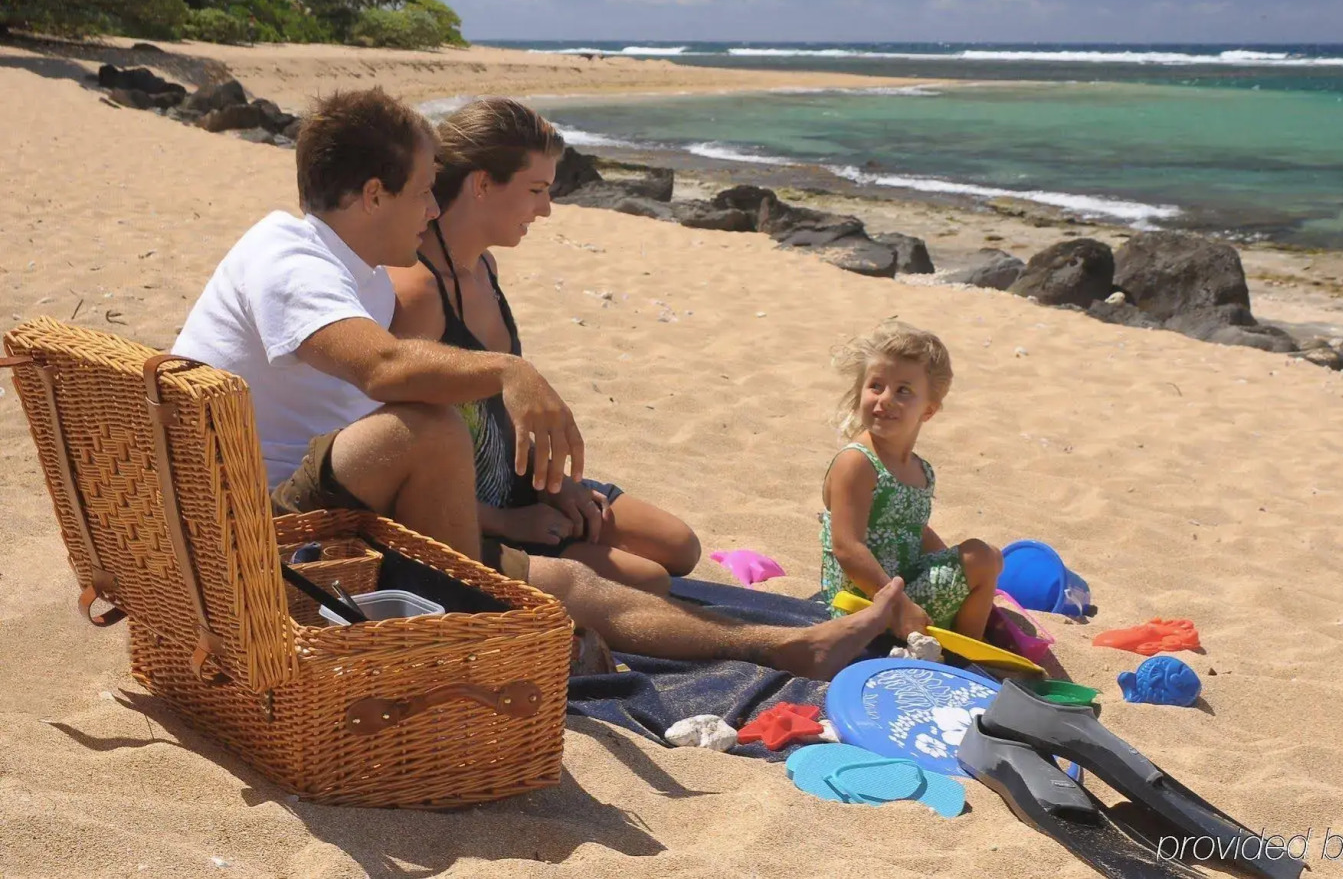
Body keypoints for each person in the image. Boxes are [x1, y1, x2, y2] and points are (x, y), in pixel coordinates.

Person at [171, 86, 899, 678]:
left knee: (574, 583)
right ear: (372, 195)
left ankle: (778, 648)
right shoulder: (291, 259)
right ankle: (478, 627)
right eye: (424, 192)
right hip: (264, 528)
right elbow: (383, 369)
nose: (433, 208)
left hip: (331, 503)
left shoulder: (358, 273)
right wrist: (508, 370)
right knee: (426, 429)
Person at [388, 98, 699, 593]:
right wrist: (508, 524)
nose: (546, 208)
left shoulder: (484, 266)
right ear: (482, 184)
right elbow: (401, 460)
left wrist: (557, 485)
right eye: (535, 190)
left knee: (680, 547)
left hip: (518, 482)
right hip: (464, 513)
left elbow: (494, 413)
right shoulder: (419, 291)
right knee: (651, 582)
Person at [819, 321, 1003, 641]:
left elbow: (915, 529)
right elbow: (847, 547)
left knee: (987, 557)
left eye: (903, 390)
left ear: (928, 411)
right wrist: (901, 605)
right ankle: (966, 654)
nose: (885, 399)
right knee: (982, 558)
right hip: (865, 603)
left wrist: (960, 571)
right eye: (876, 386)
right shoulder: (858, 462)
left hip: (902, 587)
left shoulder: (921, 470)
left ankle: (968, 643)